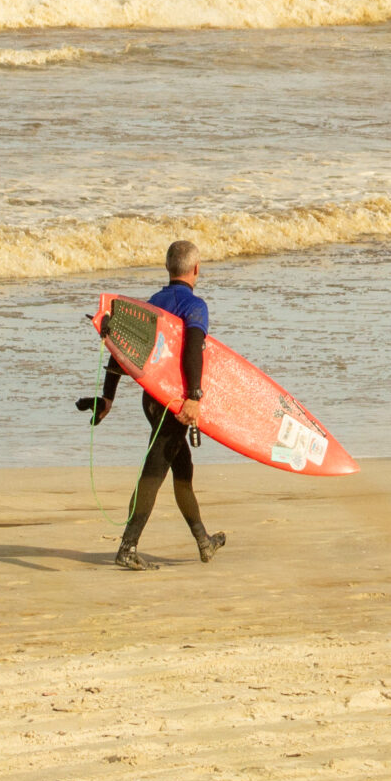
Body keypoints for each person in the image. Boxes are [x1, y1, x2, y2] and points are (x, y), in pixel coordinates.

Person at [82, 239, 228, 569]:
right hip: (174, 402)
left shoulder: (151, 305)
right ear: (196, 269)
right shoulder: (195, 306)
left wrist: (108, 398)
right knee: (155, 470)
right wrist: (193, 396)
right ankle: (127, 548)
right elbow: (193, 348)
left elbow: (121, 351)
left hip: (152, 400)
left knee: (182, 468)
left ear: (168, 268)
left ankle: (203, 541)